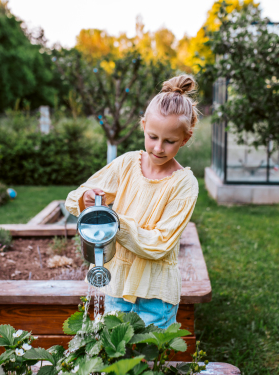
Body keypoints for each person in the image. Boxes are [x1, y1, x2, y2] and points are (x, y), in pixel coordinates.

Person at [65, 75, 200, 329]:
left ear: (185, 138)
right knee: (117, 361)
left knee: (150, 364)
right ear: (143, 125)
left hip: (156, 298)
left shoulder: (184, 184)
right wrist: (85, 199)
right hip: (117, 286)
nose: (159, 148)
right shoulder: (127, 164)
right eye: (152, 137)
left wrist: (114, 223)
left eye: (169, 141)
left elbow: (160, 244)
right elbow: (73, 201)